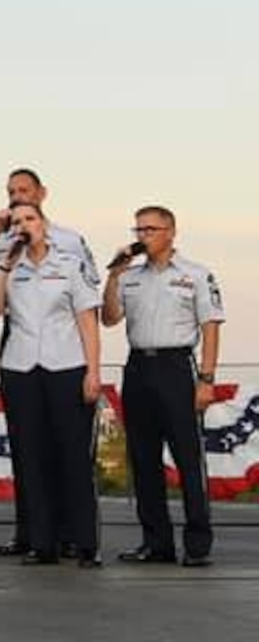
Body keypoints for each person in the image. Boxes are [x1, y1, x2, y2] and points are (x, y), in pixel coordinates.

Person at [0, 167, 95, 559]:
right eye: (11, 193)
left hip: (63, 355)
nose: (17, 198)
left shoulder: (69, 243)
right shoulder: (6, 243)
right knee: (28, 452)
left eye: (24, 193)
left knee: (68, 451)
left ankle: (77, 536)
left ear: (42, 195)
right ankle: (36, 536)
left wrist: (91, 369)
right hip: (19, 351)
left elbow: (87, 308)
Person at [103, 205, 224, 568]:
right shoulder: (130, 277)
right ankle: (157, 543)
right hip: (139, 364)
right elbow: (109, 318)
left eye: (151, 230)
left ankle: (198, 543)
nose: (143, 236)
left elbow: (211, 325)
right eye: (138, 230)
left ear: (171, 232)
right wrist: (113, 276)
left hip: (177, 366)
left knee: (188, 457)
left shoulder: (195, 275)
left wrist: (207, 378)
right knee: (143, 459)